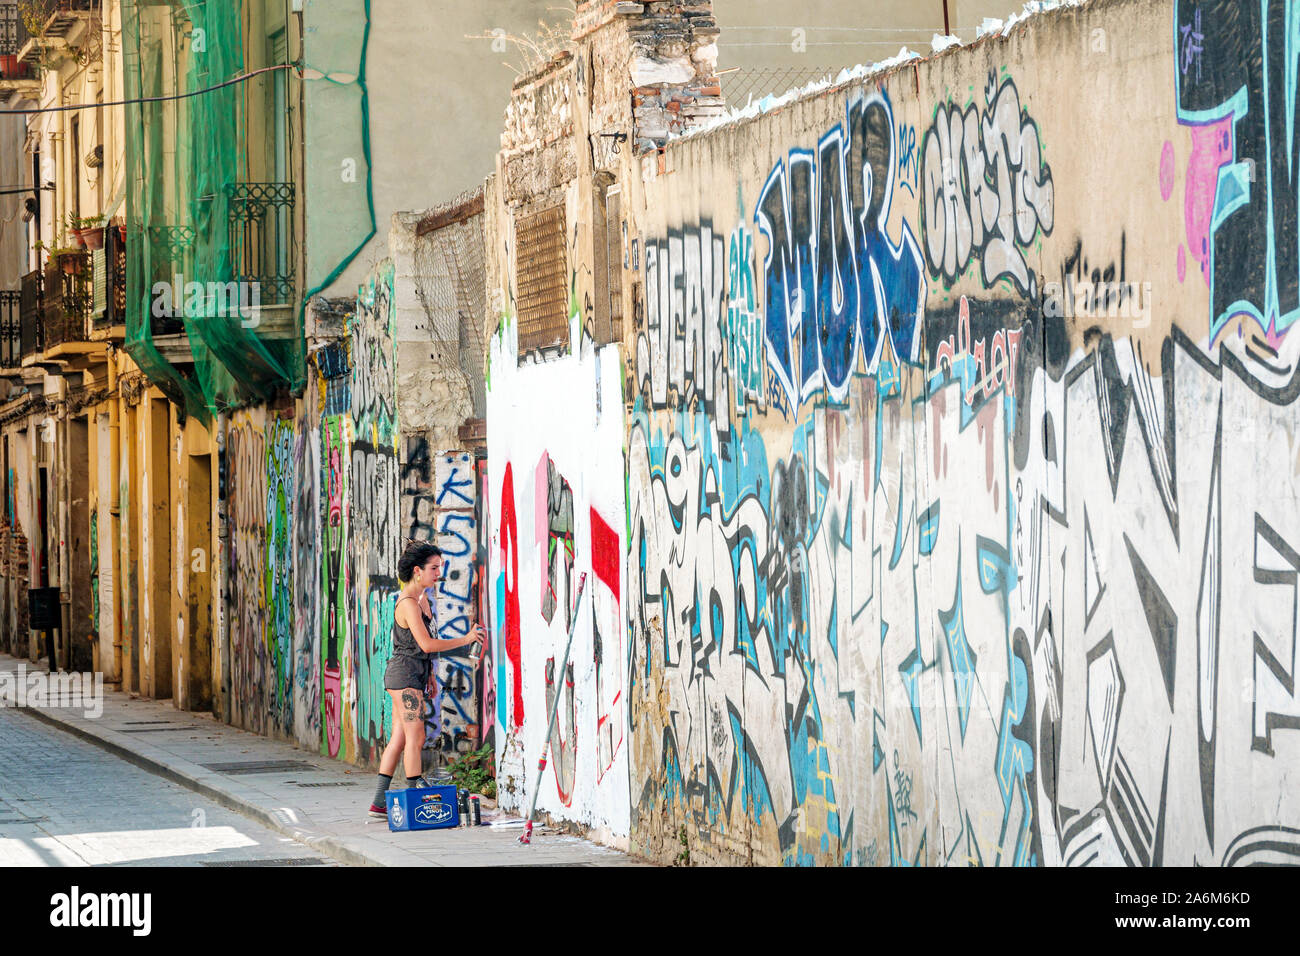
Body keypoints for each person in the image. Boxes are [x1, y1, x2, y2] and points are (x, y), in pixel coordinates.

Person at [367, 541, 485, 819]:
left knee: (398, 738)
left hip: (414, 675)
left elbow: (423, 649)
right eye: (434, 568)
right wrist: (466, 640)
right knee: (416, 738)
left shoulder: (422, 600)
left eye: (440, 567)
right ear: (417, 571)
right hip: (404, 676)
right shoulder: (408, 602)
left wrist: (430, 673)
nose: (438, 573)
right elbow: (427, 644)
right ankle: (415, 803)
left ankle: (378, 804)